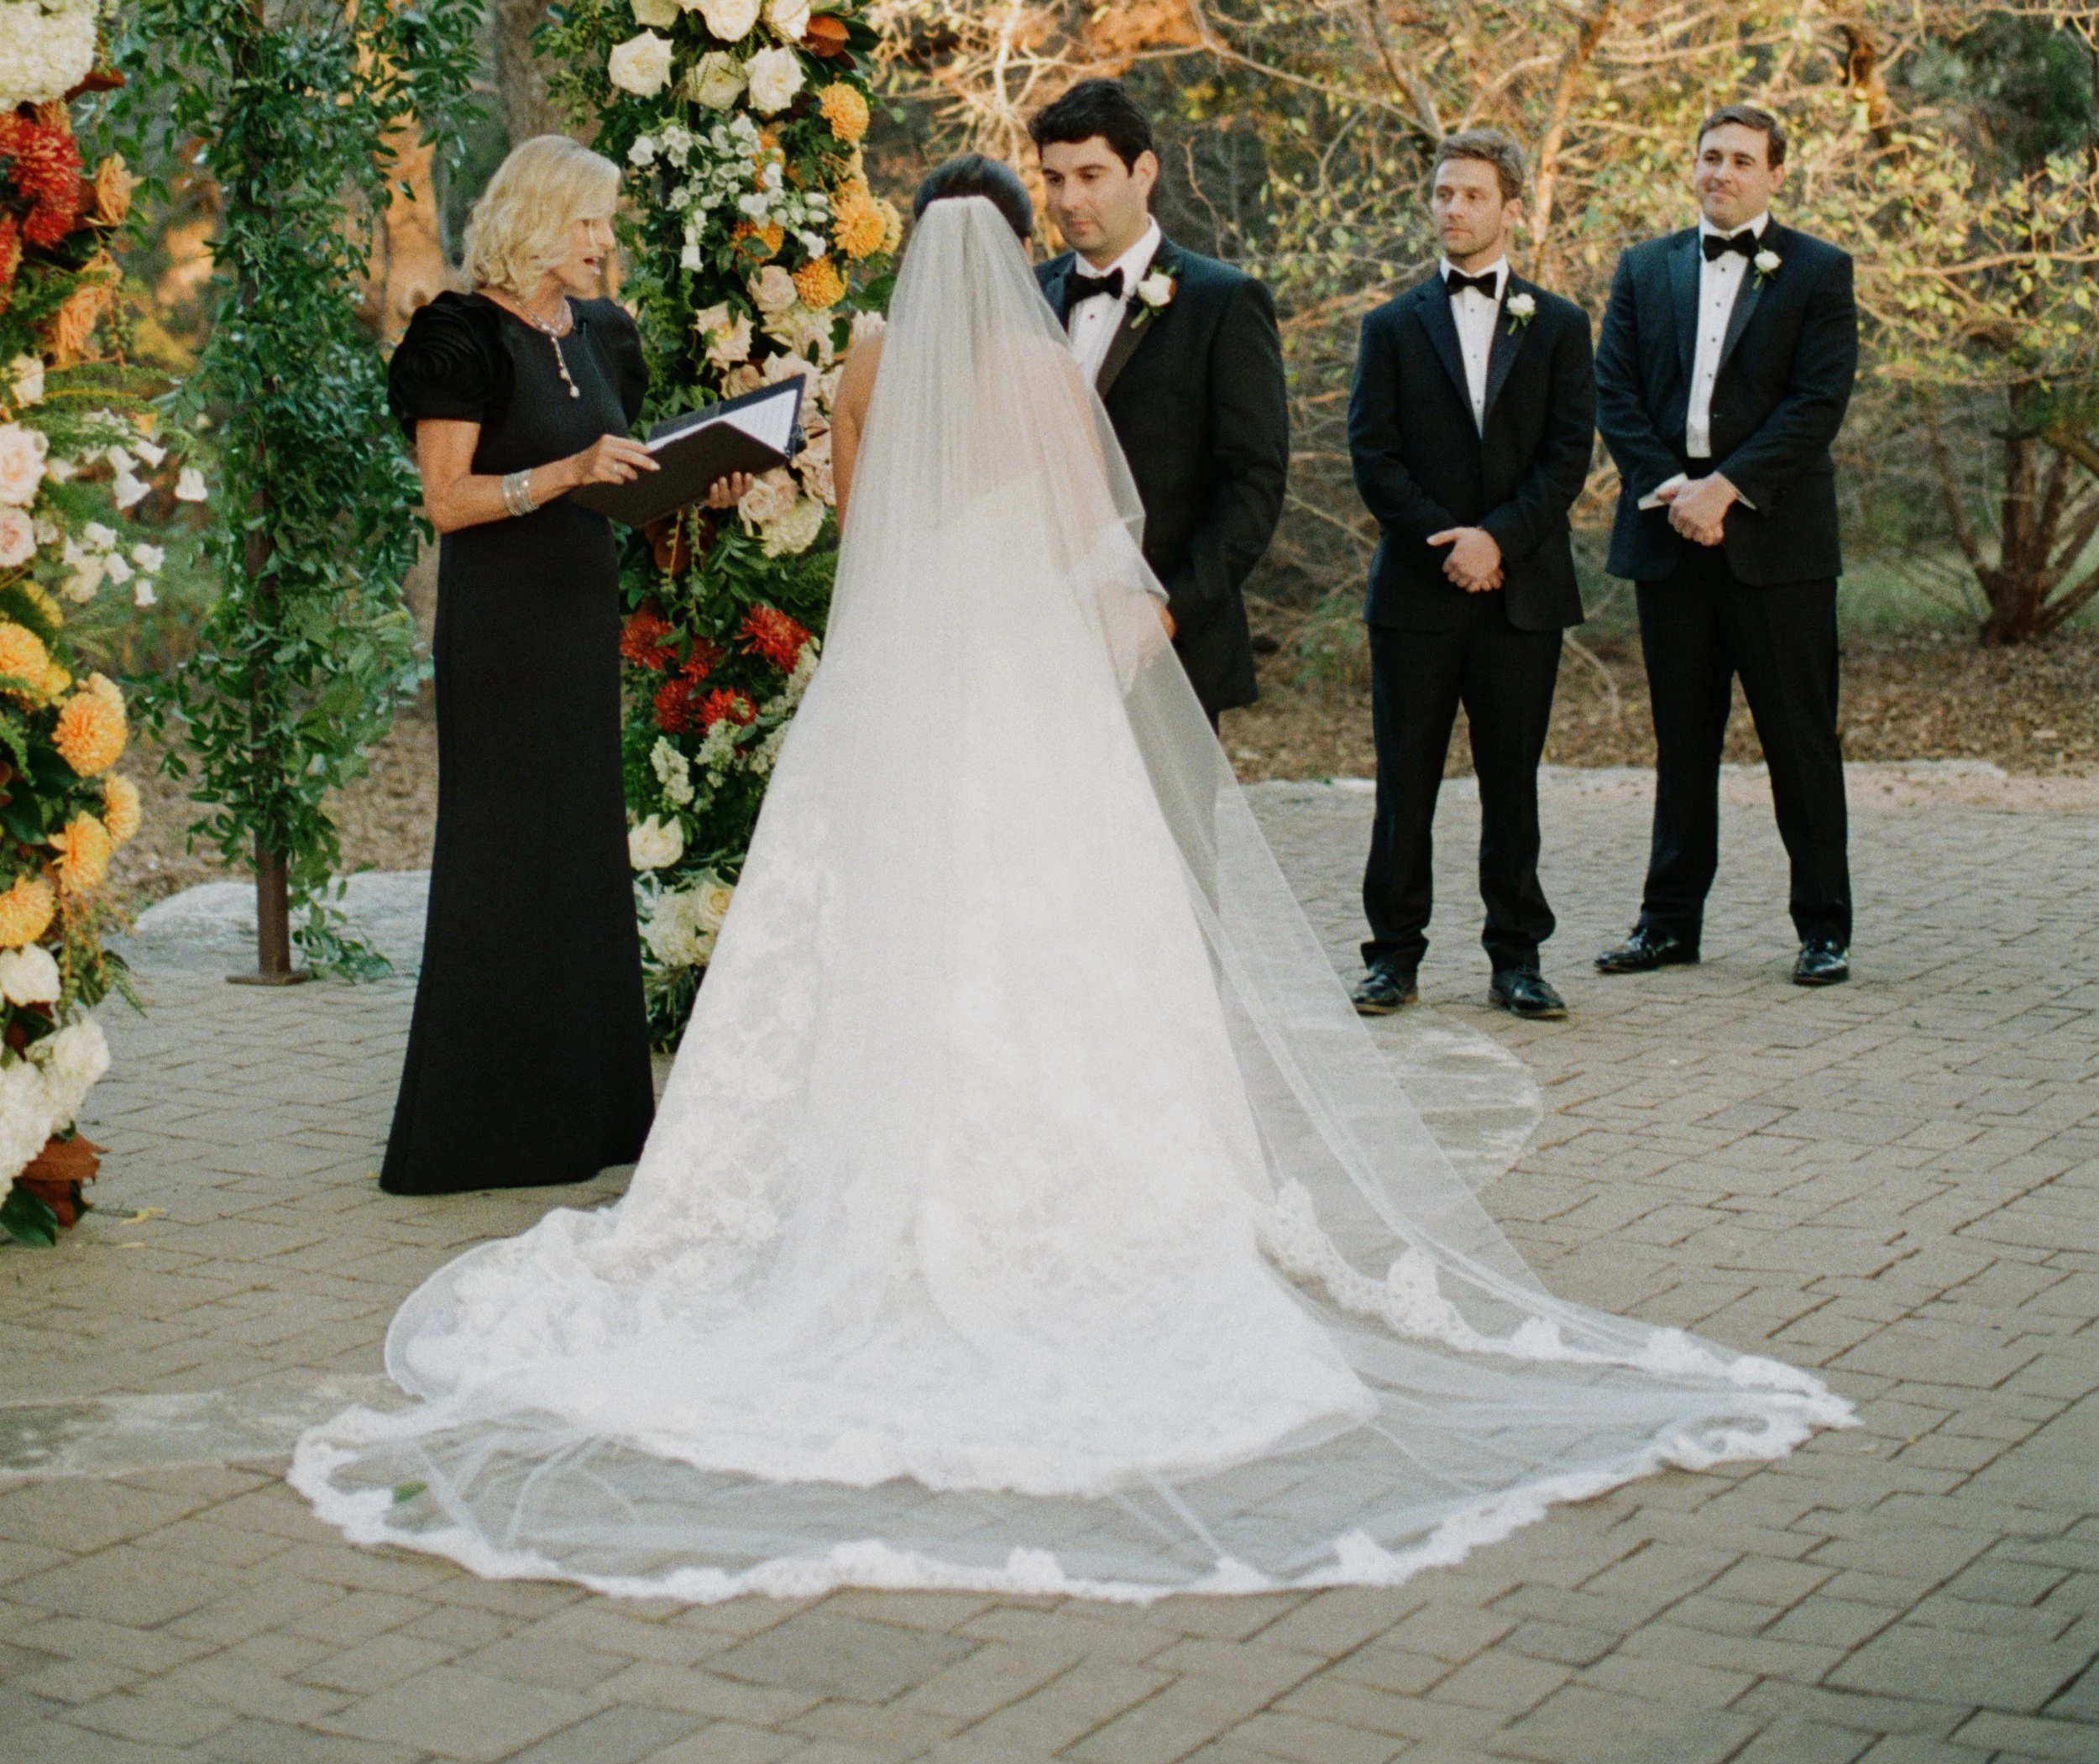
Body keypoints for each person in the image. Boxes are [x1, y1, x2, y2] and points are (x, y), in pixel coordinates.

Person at [293, 176, 1845, 1605]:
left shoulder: (866, 355)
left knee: (865, 905)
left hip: (900, 666)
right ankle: (1089, 1179)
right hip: (1016, 663)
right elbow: (1092, 526)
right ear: (1019, 244)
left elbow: (842, 502)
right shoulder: (1044, 361)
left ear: (912, 248)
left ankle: (839, 1167)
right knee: (1061, 912)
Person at [380, 136, 734, 1196]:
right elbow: (447, 501)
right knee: (502, 862)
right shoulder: (457, 335)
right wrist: (566, 471)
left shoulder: (607, 334)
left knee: (582, 860)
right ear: (536, 218)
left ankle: (594, 1118)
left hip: (584, 623)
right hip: (499, 632)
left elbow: (619, 479)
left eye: (607, 222)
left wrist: (697, 482)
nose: (604, 242)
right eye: (589, 222)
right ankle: (473, 1136)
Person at [1592, 106, 1859, 988]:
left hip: (1773, 541)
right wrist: (1676, 488)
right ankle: (1668, 922)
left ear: (1773, 174)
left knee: (1799, 740)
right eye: (1709, 157)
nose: (1722, 172)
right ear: (1692, 166)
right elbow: (1615, 391)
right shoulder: (1643, 267)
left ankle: (1822, 926)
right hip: (1670, 532)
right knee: (1682, 742)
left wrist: (1727, 488)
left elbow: (1817, 401)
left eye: (1742, 160)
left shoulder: (1818, 270)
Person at [1347, 131, 1594, 1023]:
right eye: (1443, 194)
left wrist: (1497, 541)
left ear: (1510, 208)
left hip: (1520, 594)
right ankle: (1392, 956)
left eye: (1472, 195)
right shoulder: (1389, 325)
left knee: (1511, 782)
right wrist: (1447, 544)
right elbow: (1371, 455)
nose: (1452, 209)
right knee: (1403, 781)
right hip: (1415, 595)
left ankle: (1517, 956)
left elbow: (1569, 455)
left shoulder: (1559, 324)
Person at [1029, 78, 1288, 725]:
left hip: (1168, 647)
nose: (1069, 199)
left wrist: (1168, 609)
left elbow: (1254, 482)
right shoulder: (1025, 297)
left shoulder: (1224, 302)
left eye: (1090, 174)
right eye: (1054, 179)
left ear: (1142, 171)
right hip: (1038, 644)